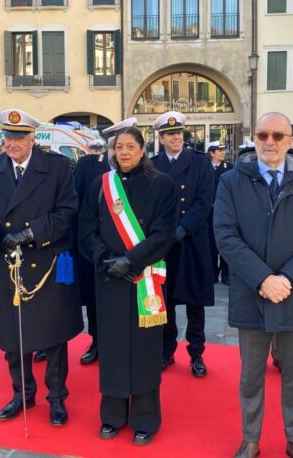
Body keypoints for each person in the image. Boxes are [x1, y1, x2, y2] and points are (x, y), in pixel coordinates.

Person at [215, 112, 293, 458]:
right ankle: (251, 438)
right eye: (263, 135)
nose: (270, 142)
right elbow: (225, 234)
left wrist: (288, 279)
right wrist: (263, 279)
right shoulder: (232, 181)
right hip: (253, 293)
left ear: (291, 140)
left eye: (278, 136)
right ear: (254, 138)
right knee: (251, 376)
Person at [0, 108, 82, 426]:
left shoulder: (57, 167)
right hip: (8, 262)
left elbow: (67, 212)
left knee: (53, 334)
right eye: (7, 137)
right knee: (13, 334)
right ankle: (22, 394)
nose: (12, 144)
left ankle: (56, 397)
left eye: (19, 138)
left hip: (44, 259)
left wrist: (31, 232)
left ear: (33, 138)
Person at [79, 123, 177, 446]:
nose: (122, 152)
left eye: (129, 147)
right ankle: (113, 415)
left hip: (144, 278)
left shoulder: (162, 184)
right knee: (112, 348)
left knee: (145, 350)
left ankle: (145, 418)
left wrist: (131, 261)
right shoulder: (100, 184)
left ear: (142, 150)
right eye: (117, 147)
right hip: (108, 278)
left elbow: (164, 234)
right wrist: (105, 258)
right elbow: (86, 229)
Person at [152, 111, 214, 378]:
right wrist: (165, 231)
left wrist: (184, 228)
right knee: (165, 301)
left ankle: (197, 353)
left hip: (193, 241)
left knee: (194, 301)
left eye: (179, 133)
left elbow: (205, 200)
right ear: (161, 139)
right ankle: (167, 350)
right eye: (170, 134)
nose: (177, 138)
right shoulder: (152, 165)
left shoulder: (200, 162)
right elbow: (150, 202)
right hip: (165, 244)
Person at [72, 131, 119, 366]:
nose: (120, 152)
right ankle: (97, 342)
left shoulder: (144, 173)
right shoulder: (88, 165)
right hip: (95, 249)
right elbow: (77, 206)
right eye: (116, 147)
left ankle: (120, 344)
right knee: (94, 300)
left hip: (127, 251)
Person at [208, 141, 232, 285]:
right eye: (219, 150)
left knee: (226, 242)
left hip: (225, 211)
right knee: (211, 245)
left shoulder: (229, 168)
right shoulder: (204, 168)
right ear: (212, 153)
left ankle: (226, 274)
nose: (223, 153)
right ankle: (212, 273)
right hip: (209, 212)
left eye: (223, 150)